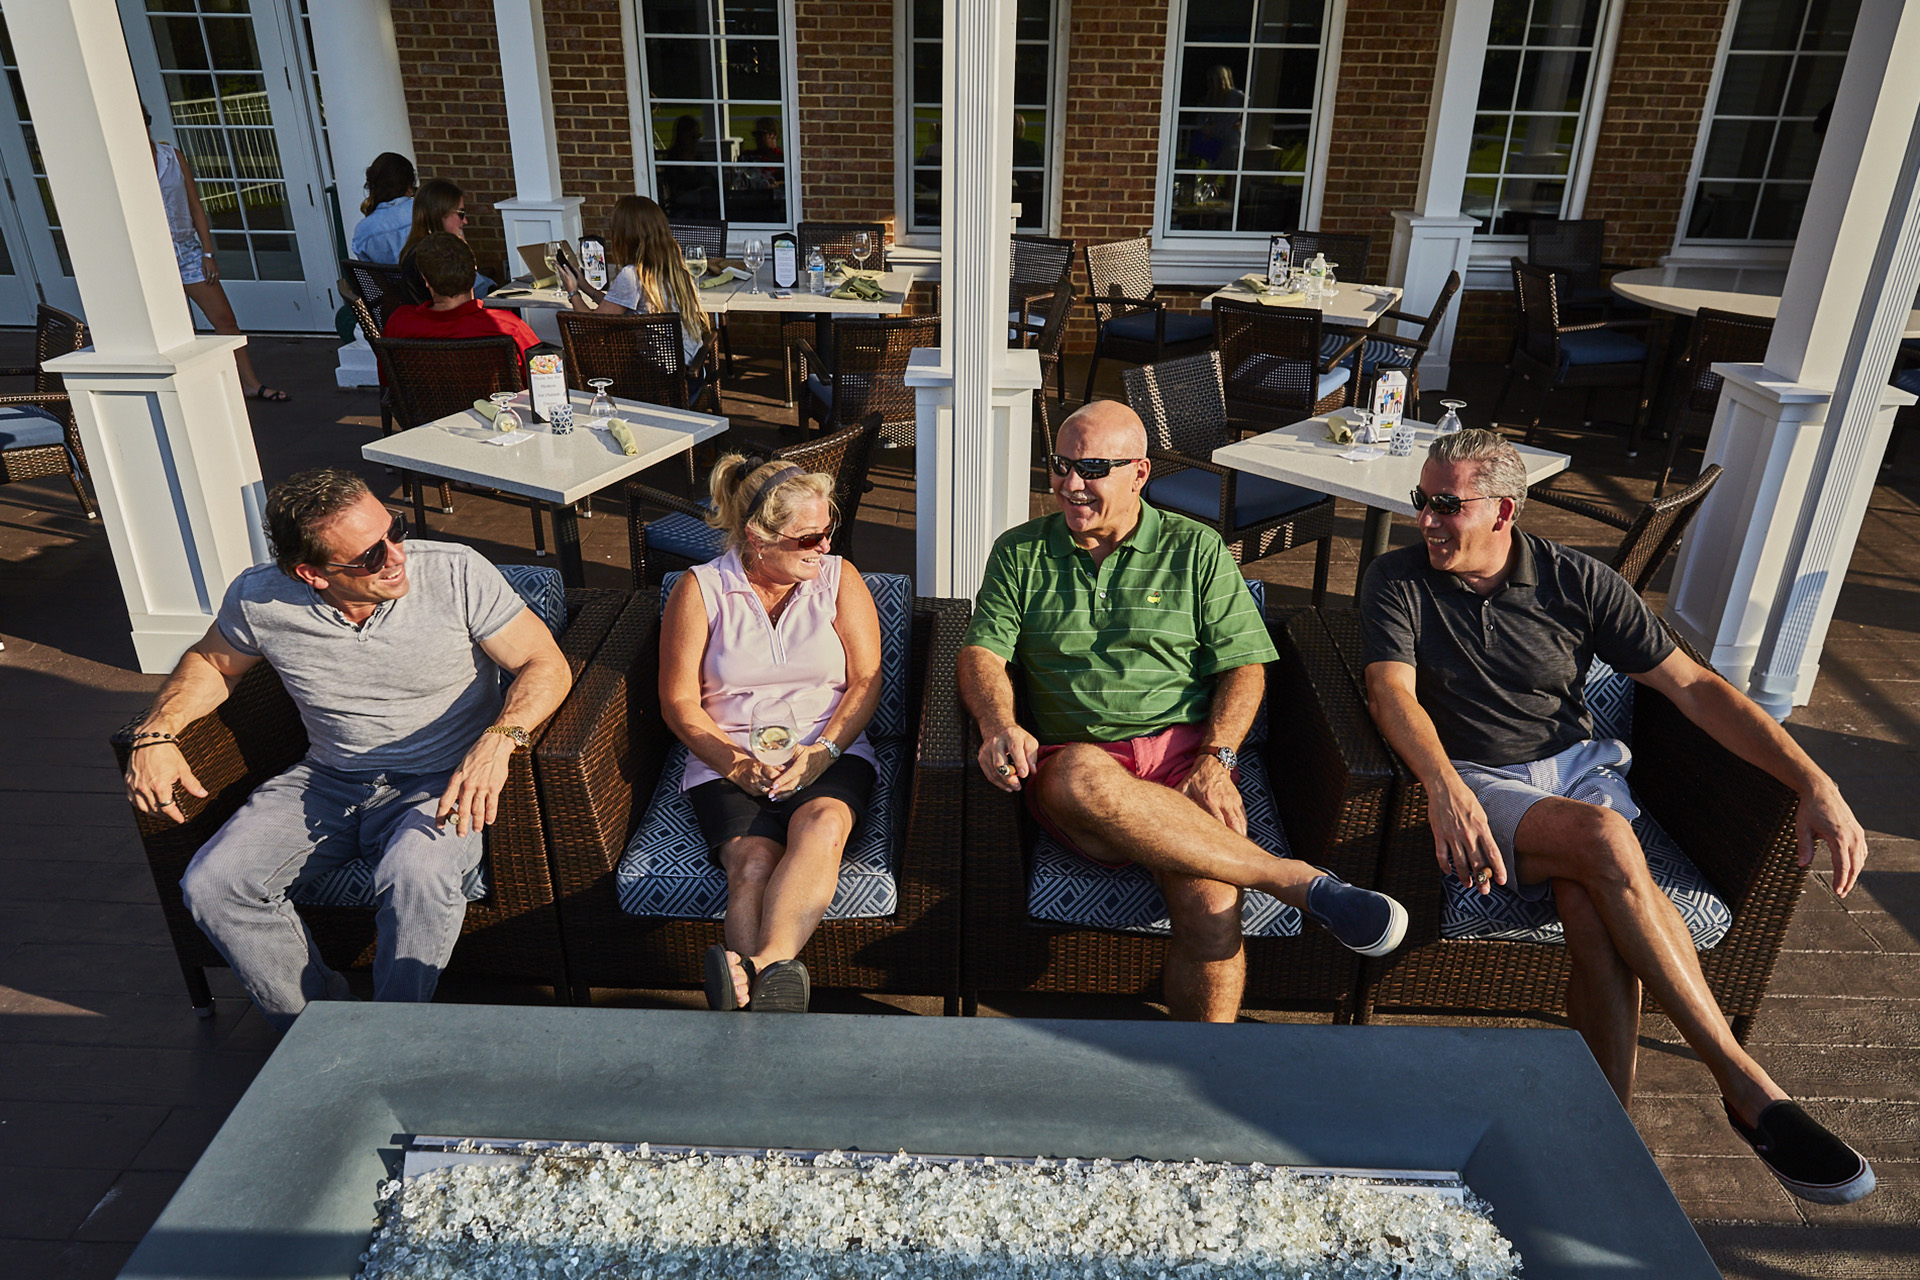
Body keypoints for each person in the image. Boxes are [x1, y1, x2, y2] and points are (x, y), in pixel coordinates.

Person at [1359, 429, 1876, 1205]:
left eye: (1445, 504)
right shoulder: (1397, 579)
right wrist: (1440, 782)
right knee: (1602, 838)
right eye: (1421, 501)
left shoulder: (1579, 581)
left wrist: (1814, 780)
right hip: (1478, 779)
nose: (1426, 519)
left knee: (1589, 902)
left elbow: (1695, 691)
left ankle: (1608, 1136)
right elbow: (1390, 694)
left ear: (1504, 509)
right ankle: (1746, 1085)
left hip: (1577, 772)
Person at [958, 400, 1408, 1023]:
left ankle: (1204, 1070)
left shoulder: (1194, 548)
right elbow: (982, 651)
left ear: (1139, 473)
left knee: (1212, 912)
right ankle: (1296, 881)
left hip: (1183, 760)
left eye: (1091, 468)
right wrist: (998, 723)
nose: (1068, 484)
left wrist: (1217, 757)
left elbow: (1245, 664)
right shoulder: (1020, 552)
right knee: (1082, 776)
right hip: (1079, 761)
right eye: (1060, 465)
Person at [122, 469, 573, 1030]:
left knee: (417, 871)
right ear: (311, 573)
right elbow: (213, 663)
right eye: (367, 556)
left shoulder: (454, 572)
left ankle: (390, 1035)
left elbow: (545, 663)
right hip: (328, 779)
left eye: (396, 530)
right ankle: (321, 1030)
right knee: (212, 885)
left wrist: (500, 739)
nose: (396, 557)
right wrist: (157, 732)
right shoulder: (259, 596)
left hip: (442, 780)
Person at [660, 456, 882, 1014]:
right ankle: (767, 993)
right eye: (809, 536)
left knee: (822, 824)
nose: (824, 546)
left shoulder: (839, 578)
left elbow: (866, 682)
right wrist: (735, 763)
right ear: (758, 537)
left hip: (828, 745)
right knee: (752, 861)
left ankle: (756, 970)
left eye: (828, 529)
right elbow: (679, 701)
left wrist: (823, 752)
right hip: (726, 753)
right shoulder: (700, 590)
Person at [146, 109, 287, 403]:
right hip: (150, 256)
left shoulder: (172, 156)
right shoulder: (119, 163)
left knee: (225, 319)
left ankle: (250, 383)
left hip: (186, 251)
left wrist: (207, 252)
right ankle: (185, 394)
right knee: (171, 332)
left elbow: (195, 205)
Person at [555, 195, 713, 370]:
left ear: (625, 235)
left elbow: (592, 324)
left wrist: (572, 293)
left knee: (579, 358)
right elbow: (617, 306)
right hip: (693, 371)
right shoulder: (674, 267)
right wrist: (585, 286)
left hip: (661, 380)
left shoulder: (632, 274)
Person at [381, 234, 539, 370]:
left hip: (425, 404)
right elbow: (546, 378)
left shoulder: (399, 323)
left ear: (425, 279)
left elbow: (388, 380)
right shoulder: (508, 327)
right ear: (474, 269)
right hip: (497, 404)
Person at [398, 178, 493, 302]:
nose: (465, 221)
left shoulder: (414, 251)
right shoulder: (437, 256)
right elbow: (470, 296)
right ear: (440, 214)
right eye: (461, 213)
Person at [350, 152, 416, 264]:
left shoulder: (362, 230)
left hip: (389, 282)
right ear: (408, 184)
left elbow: (368, 275)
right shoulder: (424, 209)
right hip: (427, 280)